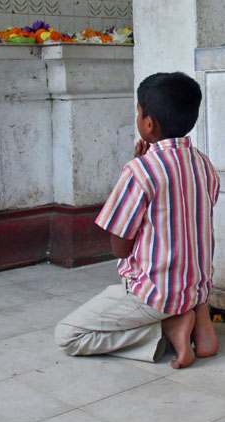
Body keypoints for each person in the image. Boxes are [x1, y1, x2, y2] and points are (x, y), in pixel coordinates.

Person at [55, 72, 220, 369]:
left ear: (148, 123)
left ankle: (167, 329)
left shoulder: (139, 172)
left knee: (69, 335)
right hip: (195, 287)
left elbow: (119, 248)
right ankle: (199, 319)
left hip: (155, 294)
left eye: (139, 111)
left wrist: (136, 165)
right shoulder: (204, 164)